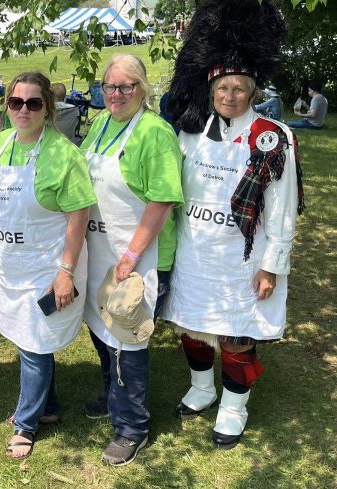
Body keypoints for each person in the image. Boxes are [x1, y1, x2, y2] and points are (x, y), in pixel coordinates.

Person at [164, 0, 304, 450]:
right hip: (194, 251)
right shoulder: (189, 132)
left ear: (253, 90)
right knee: (192, 325)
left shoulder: (271, 135)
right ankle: (203, 388)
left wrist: (272, 265)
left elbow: (281, 207)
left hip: (243, 257)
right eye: (223, 86)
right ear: (211, 87)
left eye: (239, 88)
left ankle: (233, 407)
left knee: (237, 334)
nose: (230, 95)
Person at [0, 71, 96, 460]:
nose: (23, 110)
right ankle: (49, 406)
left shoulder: (64, 155)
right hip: (11, 266)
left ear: (48, 108)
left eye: (33, 103)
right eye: (16, 102)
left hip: (48, 265)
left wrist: (66, 272)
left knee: (33, 343)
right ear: (7, 105)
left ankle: (26, 423)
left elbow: (79, 216)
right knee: (30, 339)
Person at [80, 54, 184, 466]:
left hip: (139, 255)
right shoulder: (102, 124)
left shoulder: (155, 133)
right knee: (103, 331)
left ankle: (132, 428)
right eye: (110, 86)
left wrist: (132, 255)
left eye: (126, 86)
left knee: (128, 338)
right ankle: (113, 398)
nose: (116, 94)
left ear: (142, 89)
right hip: (100, 249)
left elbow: (161, 200)